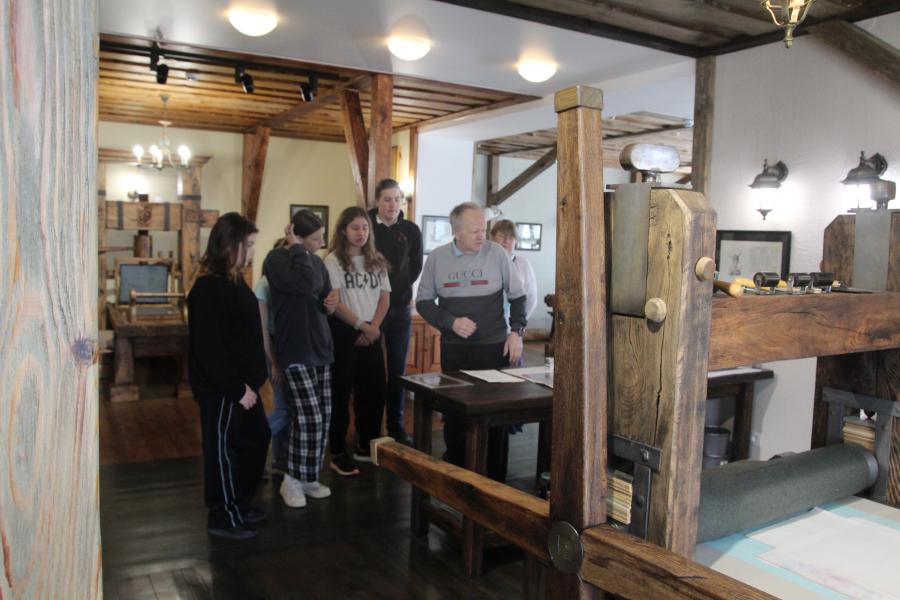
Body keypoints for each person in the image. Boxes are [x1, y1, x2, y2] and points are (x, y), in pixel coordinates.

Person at [415, 202, 527, 481]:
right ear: (456, 232)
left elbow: (518, 297)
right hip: (455, 351)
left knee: (496, 416)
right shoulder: (437, 259)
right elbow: (424, 302)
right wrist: (450, 322)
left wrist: (516, 332)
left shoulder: (497, 254)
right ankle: (458, 475)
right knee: (456, 415)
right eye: (475, 231)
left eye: (483, 229)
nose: (482, 236)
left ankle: (496, 480)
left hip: (493, 348)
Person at [188, 212, 270, 540]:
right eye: (248, 244)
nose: (252, 251)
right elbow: (208, 350)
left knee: (257, 438)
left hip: (245, 387)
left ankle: (242, 502)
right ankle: (223, 515)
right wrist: (237, 389)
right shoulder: (207, 289)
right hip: (224, 389)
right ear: (229, 245)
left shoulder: (235, 281)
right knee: (222, 452)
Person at [263, 210, 339, 508]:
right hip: (295, 348)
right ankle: (291, 480)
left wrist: (331, 303)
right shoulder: (276, 259)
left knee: (324, 416)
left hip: (321, 346)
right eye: (316, 238)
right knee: (309, 417)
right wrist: (295, 248)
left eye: (322, 237)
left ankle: (309, 477)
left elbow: (322, 295)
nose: (321, 243)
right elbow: (304, 285)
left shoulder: (317, 262)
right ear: (296, 235)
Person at [324, 207, 392, 475]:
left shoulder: (376, 259)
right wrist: (361, 326)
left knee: (374, 392)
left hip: (373, 331)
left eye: (365, 227)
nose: (361, 233)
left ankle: (366, 445)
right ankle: (338, 451)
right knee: (341, 394)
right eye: (355, 228)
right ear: (343, 230)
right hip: (345, 332)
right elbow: (335, 302)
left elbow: (385, 297)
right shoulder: (333, 260)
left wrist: (373, 327)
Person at [368, 179, 423, 445]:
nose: (393, 205)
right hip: (369, 310)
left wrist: (398, 289)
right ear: (377, 201)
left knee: (397, 371)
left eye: (397, 199)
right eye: (387, 199)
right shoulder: (365, 224)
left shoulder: (411, 230)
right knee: (372, 372)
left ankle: (395, 426)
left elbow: (415, 267)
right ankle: (370, 429)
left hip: (399, 309)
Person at [255, 238, 290, 473]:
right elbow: (263, 330)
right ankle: (251, 443)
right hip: (273, 348)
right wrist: (274, 362)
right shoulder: (264, 284)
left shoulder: (284, 283)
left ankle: (280, 460)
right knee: (284, 409)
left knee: (286, 406)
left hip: (285, 346)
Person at [489, 219, 538, 367]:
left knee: (511, 369)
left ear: (515, 241)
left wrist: (517, 326)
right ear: (491, 237)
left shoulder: (523, 264)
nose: (506, 241)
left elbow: (531, 299)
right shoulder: (485, 262)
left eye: (510, 237)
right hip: (487, 330)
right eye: (501, 236)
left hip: (512, 330)